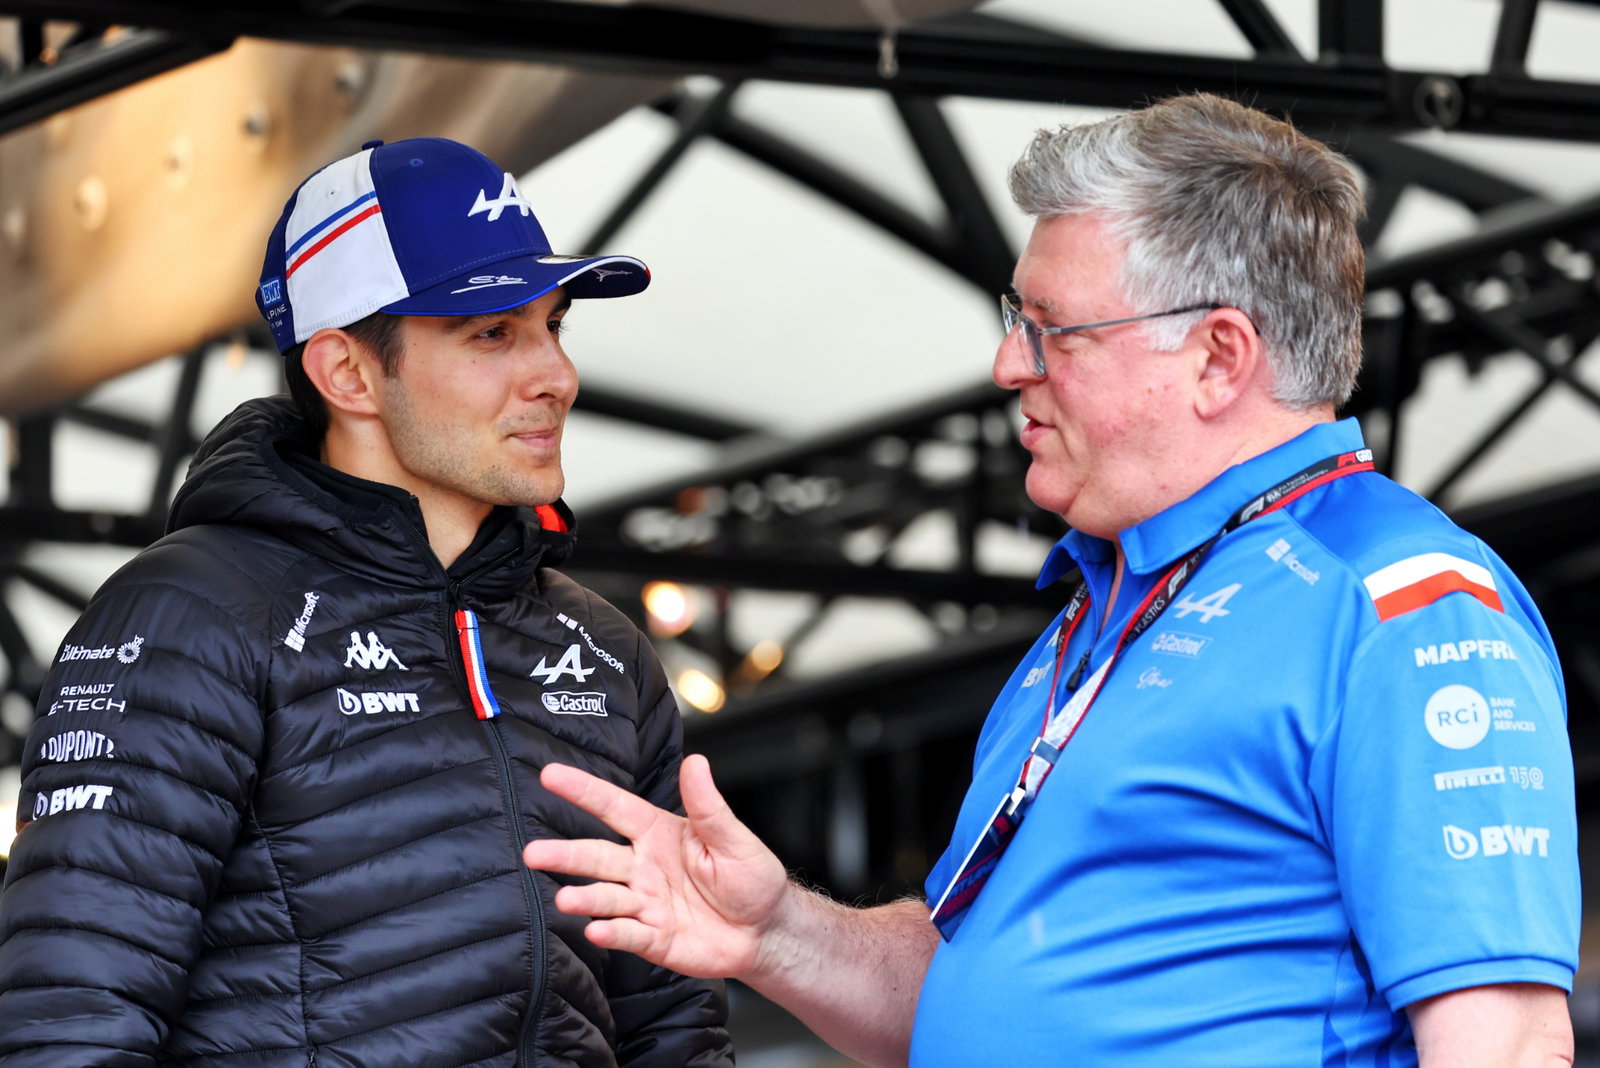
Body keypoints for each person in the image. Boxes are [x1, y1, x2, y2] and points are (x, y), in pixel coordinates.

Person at [519, 94, 1581, 1066]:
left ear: (1218, 357)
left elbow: (1506, 1041)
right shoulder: (1102, 612)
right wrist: (774, 931)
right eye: (1013, 318)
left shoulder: (1393, 600)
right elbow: (967, 1001)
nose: (1009, 365)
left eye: (1053, 328)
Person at [0, 137, 733, 1067]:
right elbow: (68, 1025)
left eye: (554, 325)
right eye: (492, 333)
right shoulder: (193, 613)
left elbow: (678, 1031)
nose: (556, 374)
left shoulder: (602, 648)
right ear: (346, 373)